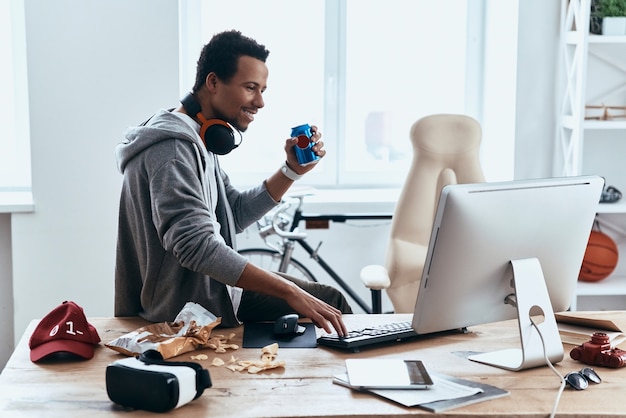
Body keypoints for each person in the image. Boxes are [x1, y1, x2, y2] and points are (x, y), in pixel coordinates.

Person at [114, 30, 351, 336]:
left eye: (263, 90)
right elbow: (194, 245)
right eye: (251, 88)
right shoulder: (173, 149)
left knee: (322, 299)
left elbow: (234, 213)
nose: (261, 102)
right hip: (188, 305)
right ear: (213, 83)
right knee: (329, 300)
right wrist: (289, 292)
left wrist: (291, 170)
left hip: (212, 293)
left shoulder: (198, 140)